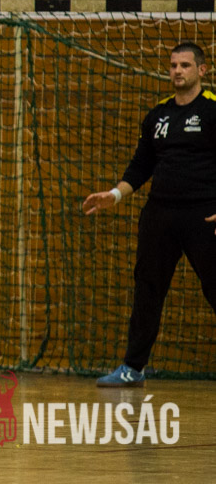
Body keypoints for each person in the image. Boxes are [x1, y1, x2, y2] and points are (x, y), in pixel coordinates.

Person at [83, 41, 216, 387]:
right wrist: (115, 195)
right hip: (160, 215)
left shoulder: (213, 110)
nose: (177, 71)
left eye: (185, 65)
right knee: (147, 289)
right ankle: (133, 368)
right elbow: (141, 165)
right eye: (173, 65)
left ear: (202, 70)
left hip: (204, 215)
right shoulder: (157, 115)